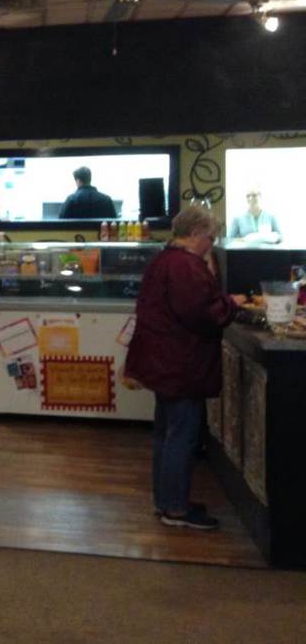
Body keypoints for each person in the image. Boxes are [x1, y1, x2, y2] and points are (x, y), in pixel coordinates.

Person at [124, 204, 238, 531]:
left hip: (162, 362)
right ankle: (175, 508)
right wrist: (232, 305)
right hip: (182, 364)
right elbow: (204, 313)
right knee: (182, 436)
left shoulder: (163, 260)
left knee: (166, 433)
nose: (211, 244)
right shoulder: (187, 267)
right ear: (194, 234)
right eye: (209, 238)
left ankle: (165, 500)